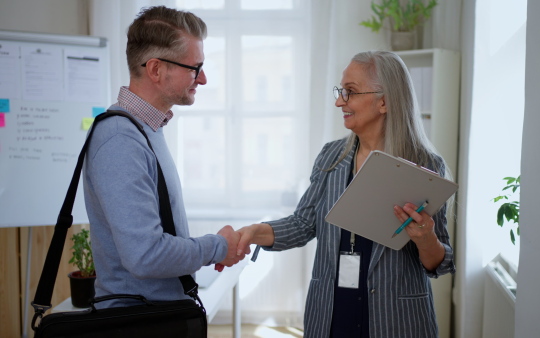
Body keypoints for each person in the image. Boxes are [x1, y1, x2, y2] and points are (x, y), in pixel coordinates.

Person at [237, 50, 455, 337]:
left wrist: (425, 238)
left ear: (384, 101)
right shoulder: (331, 157)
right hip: (332, 311)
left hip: (397, 319)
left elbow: (441, 263)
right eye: (341, 91)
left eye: (349, 92)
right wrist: (254, 232)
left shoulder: (425, 166)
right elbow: (303, 224)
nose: (339, 101)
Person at [83, 6, 246, 308]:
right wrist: (217, 247)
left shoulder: (146, 130)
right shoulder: (121, 139)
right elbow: (145, 256)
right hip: (138, 323)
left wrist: (216, 248)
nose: (204, 78)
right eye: (194, 68)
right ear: (156, 69)